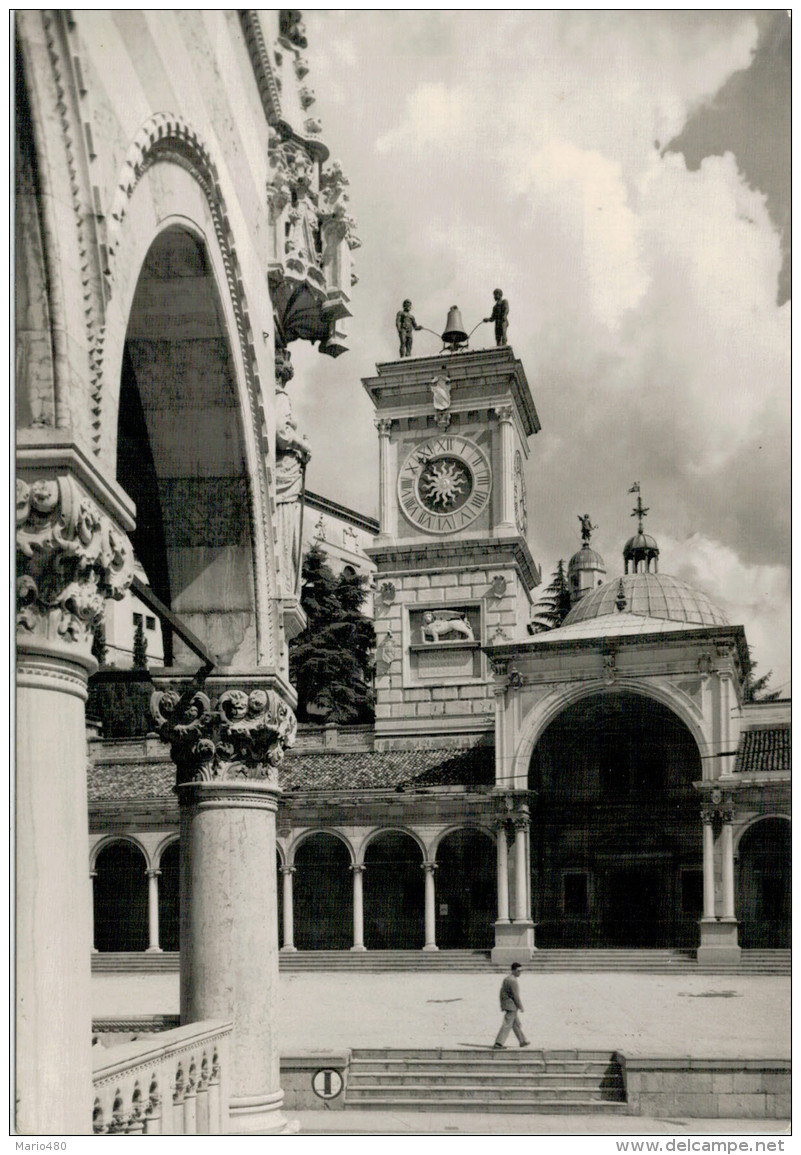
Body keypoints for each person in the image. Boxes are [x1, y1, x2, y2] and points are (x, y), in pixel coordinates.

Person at [493, 962, 529, 1048]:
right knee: (507, 1024)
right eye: (518, 971)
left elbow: (501, 992)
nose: (520, 973)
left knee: (516, 1024)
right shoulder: (513, 981)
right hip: (511, 1006)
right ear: (513, 970)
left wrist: (502, 1004)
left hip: (508, 1005)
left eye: (521, 971)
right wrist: (521, 1006)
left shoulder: (507, 979)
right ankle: (498, 1043)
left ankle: (522, 1041)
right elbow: (515, 996)